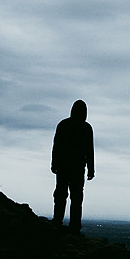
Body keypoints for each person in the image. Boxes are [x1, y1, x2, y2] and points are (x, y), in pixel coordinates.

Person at [51, 99, 95, 234]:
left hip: (65, 166)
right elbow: (90, 151)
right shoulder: (86, 128)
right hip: (77, 167)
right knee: (75, 197)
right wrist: (91, 169)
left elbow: (56, 146)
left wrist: (54, 163)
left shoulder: (63, 125)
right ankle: (74, 225)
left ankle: (59, 220)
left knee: (62, 194)